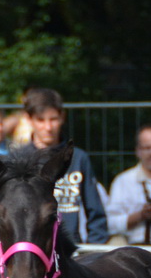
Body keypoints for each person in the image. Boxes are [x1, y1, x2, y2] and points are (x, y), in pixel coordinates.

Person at [23, 87, 108, 245]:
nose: (48, 127)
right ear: (29, 119)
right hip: (31, 252)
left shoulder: (78, 158)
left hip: (71, 251)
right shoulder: (20, 160)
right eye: (41, 120)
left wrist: (93, 252)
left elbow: (96, 213)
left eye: (53, 119)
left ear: (62, 117)